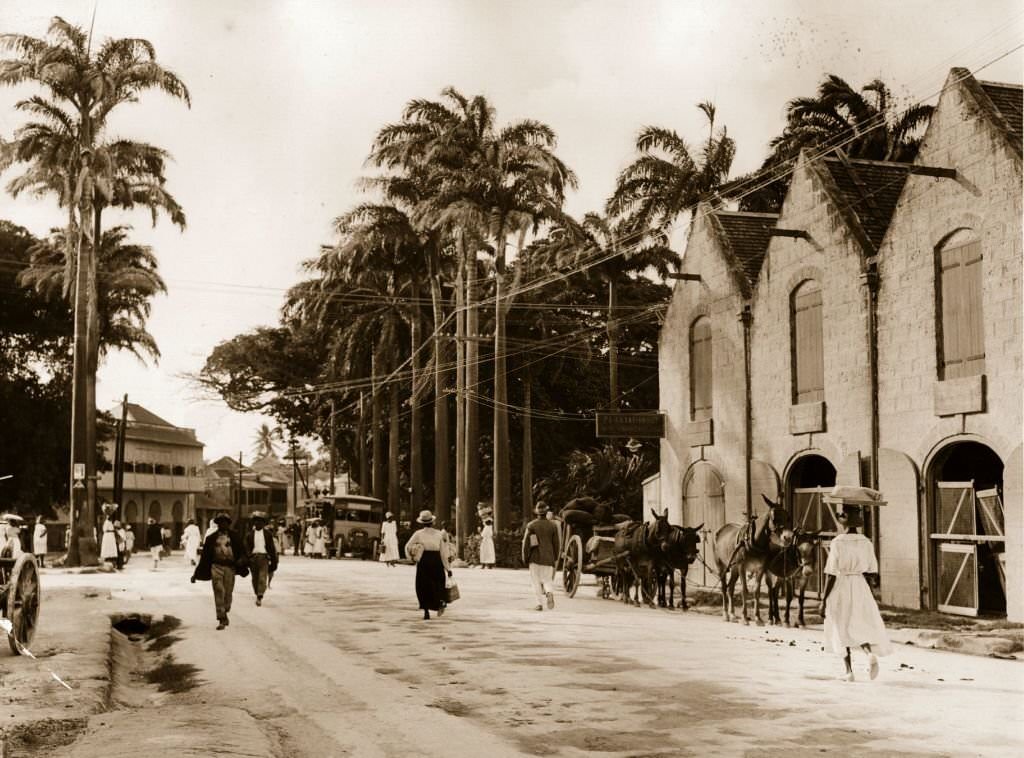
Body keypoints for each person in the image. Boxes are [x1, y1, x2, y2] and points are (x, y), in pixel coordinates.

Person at [821, 506, 892, 682]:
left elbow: (831, 573)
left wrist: (823, 598)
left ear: (843, 522)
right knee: (858, 623)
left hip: (841, 584)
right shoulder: (866, 542)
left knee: (841, 625)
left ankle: (849, 671)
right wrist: (859, 574)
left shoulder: (837, 542)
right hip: (860, 586)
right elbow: (872, 571)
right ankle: (869, 654)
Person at [191, 513, 248, 630]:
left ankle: (225, 609)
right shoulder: (211, 538)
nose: (223, 524)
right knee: (218, 590)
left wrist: (242, 561)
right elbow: (204, 557)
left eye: (225, 522)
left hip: (230, 568)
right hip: (216, 567)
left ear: (228, 524)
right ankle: (221, 618)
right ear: (217, 524)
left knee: (228, 593)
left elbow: (242, 552)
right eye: (220, 522)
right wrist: (196, 574)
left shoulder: (235, 537)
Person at [404, 510, 452, 620]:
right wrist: (448, 568)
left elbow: (407, 546)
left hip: (424, 561)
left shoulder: (418, 533)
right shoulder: (439, 534)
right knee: (438, 584)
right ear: (432, 522)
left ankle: (426, 610)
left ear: (422, 523)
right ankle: (440, 602)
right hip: (436, 561)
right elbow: (443, 553)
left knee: (423, 585)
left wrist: (411, 557)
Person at [522, 501, 561, 611]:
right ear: (546, 512)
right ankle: (549, 592)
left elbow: (526, 543)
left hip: (535, 558)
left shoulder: (531, 525)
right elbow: (556, 544)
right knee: (547, 580)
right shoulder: (553, 526)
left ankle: (539, 604)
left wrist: (525, 557)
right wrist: (555, 557)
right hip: (548, 558)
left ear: (537, 512)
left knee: (536, 581)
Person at [244, 512, 278, 606]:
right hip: (253, 558)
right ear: (254, 523)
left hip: (264, 558)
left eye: (260, 521)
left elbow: (271, 548)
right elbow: (246, 547)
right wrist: (249, 557)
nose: (258, 523)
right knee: (255, 578)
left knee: (262, 578)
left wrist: (274, 560)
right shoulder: (249, 535)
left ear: (263, 523)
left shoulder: (268, 534)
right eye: (256, 521)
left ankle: (260, 595)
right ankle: (257, 592)